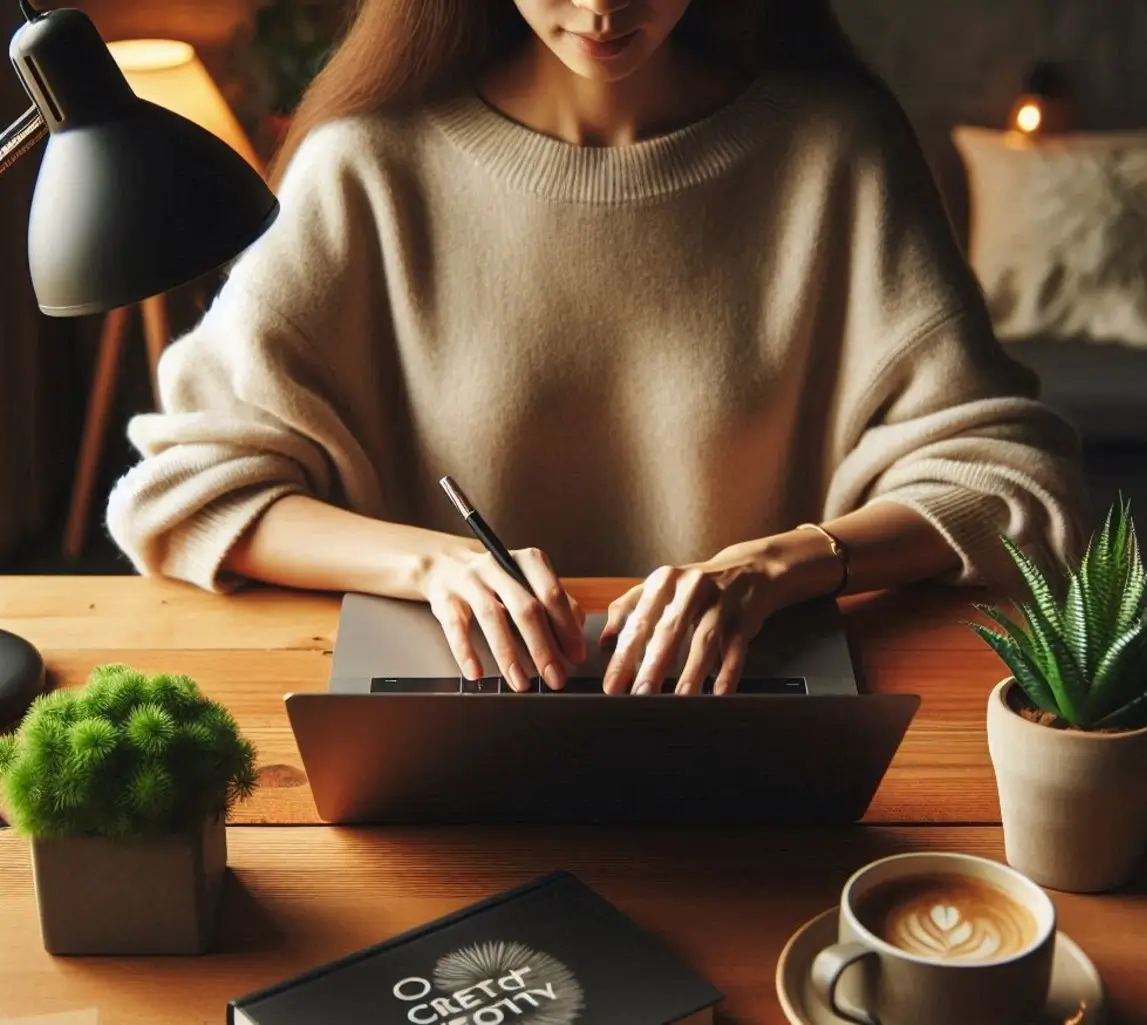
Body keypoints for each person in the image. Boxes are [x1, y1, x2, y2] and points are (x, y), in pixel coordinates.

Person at [106, 0, 1087, 698]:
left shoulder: (837, 152)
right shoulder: (368, 165)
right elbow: (187, 490)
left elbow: (1015, 484)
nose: (603, 9)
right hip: (447, 737)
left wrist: (777, 567)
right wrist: (433, 568)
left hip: (750, 731)